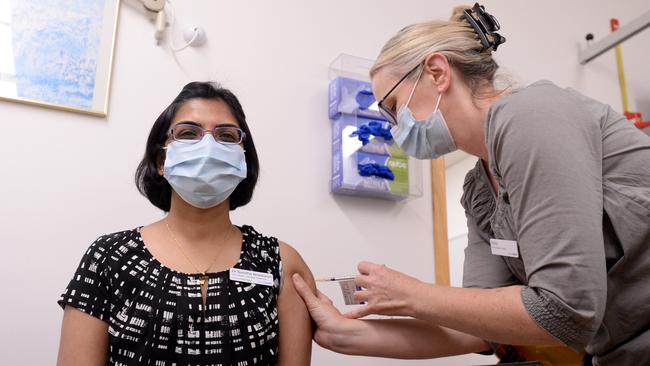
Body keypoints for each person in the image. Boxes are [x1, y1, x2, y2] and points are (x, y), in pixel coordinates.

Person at [292, 3, 650, 365]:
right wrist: (342, 331)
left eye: (392, 106)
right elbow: (480, 329)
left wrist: (410, 294)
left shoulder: (531, 116)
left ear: (436, 73)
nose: (391, 126)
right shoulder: (479, 191)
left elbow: (564, 311)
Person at [57, 81, 316, 365]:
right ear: (160, 160)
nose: (208, 147)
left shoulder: (280, 263)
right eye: (189, 133)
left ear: (243, 160)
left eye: (227, 136)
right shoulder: (109, 257)